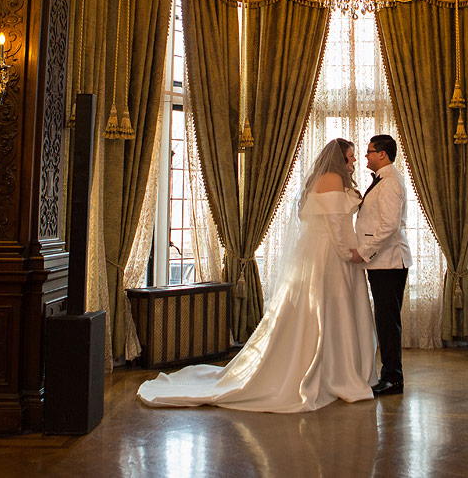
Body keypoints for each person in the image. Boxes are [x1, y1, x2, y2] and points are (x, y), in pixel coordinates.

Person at [137, 138, 378, 412]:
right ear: (338, 159)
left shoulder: (320, 179)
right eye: (350, 156)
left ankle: (318, 365)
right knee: (330, 312)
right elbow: (336, 227)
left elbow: (313, 218)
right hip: (330, 256)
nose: (354, 161)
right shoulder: (333, 178)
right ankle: (336, 373)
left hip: (317, 254)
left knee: (315, 315)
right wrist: (351, 255)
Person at [349, 134, 412, 396]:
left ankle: (393, 378)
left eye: (370, 151)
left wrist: (363, 252)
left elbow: (389, 227)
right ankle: (390, 374)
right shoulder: (382, 181)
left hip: (389, 262)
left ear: (382, 155)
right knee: (385, 319)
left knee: (387, 321)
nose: (366, 156)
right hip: (383, 262)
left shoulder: (390, 183)